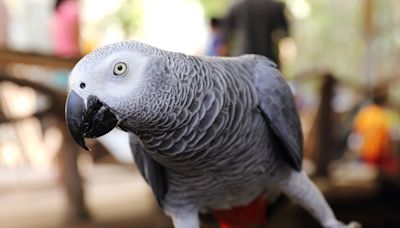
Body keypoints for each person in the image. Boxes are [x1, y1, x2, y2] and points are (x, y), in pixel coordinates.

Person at [222, 0, 289, 67]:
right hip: (268, 59)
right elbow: (282, 36)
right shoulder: (276, 6)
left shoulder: (235, 7)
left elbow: (225, 38)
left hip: (241, 59)